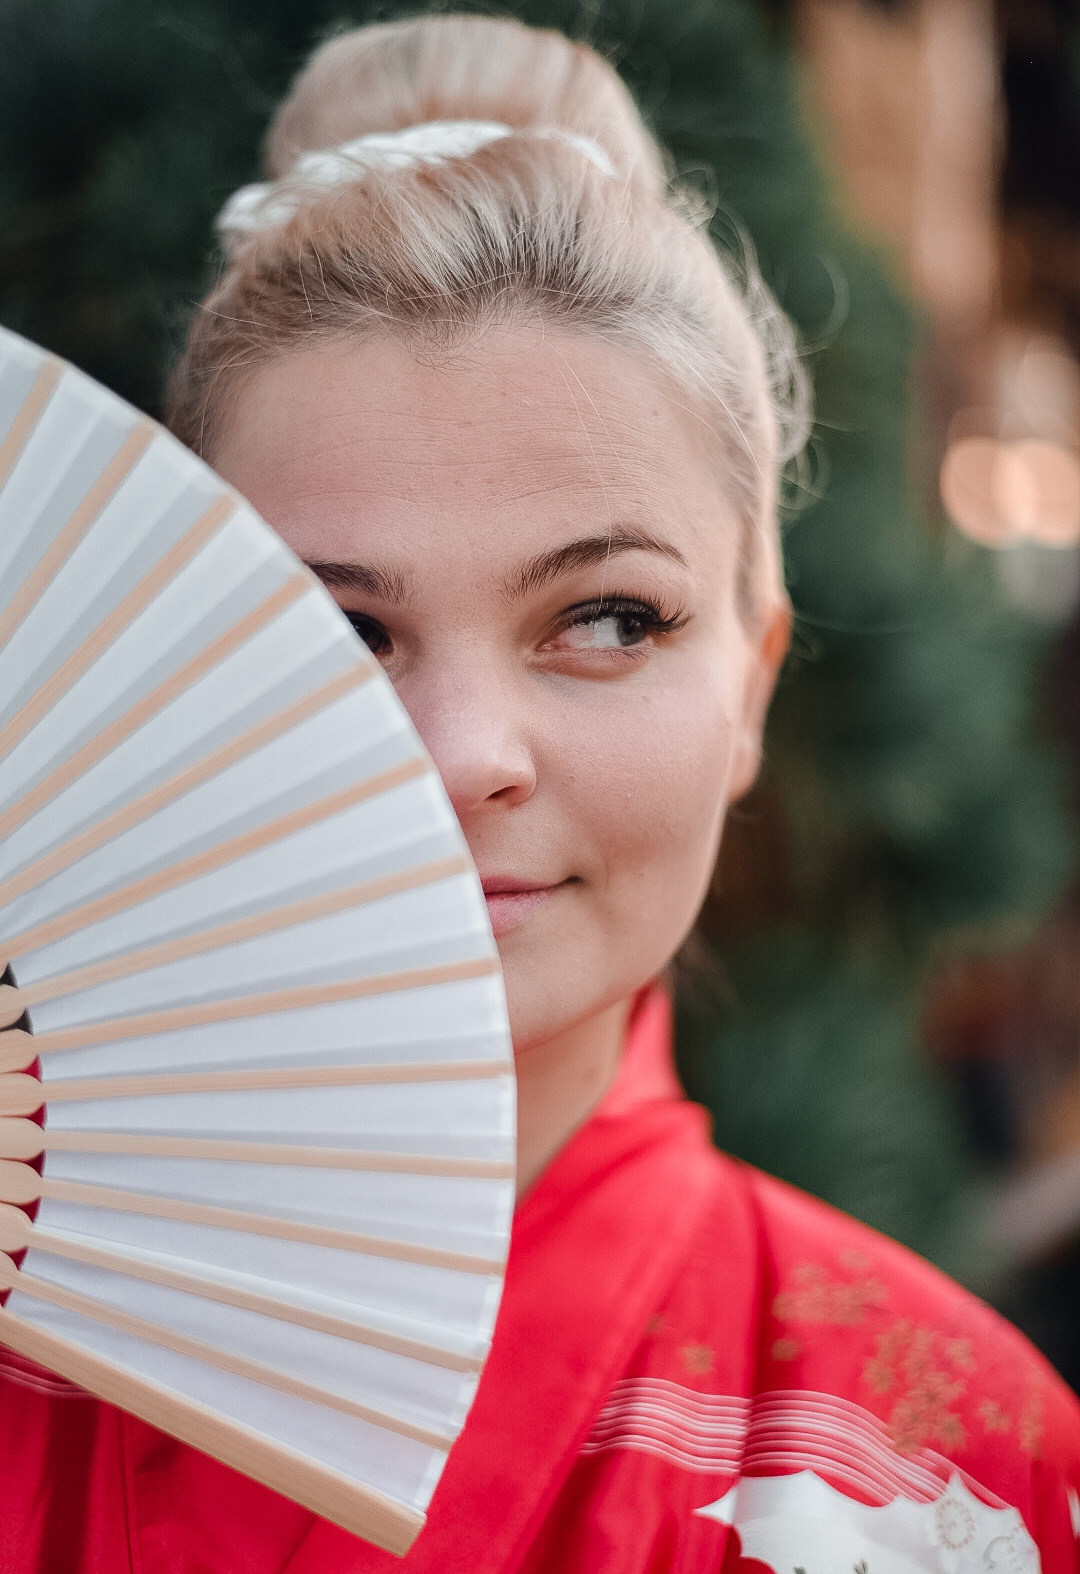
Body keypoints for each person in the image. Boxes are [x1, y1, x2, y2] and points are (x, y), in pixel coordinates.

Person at [2, 14, 1079, 1572]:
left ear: (754, 685)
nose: (460, 753)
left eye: (607, 619)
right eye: (339, 632)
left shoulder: (958, 1458)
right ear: (190, 673)